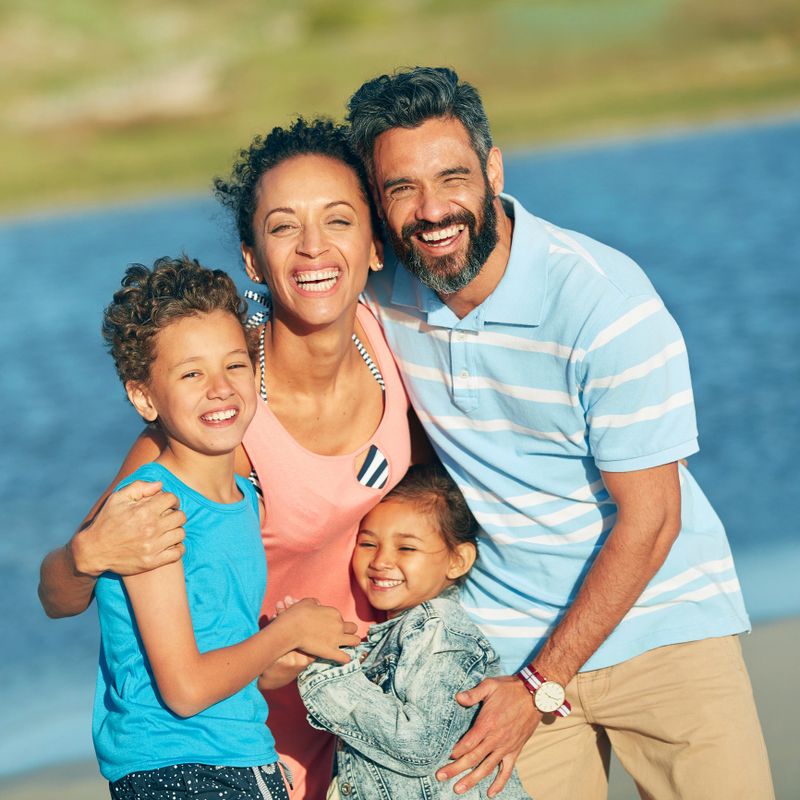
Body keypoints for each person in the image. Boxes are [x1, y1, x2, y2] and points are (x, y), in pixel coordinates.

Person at [347, 67, 774, 800]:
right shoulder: (383, 294)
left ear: (493, 169)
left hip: (660, 627)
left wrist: (543, 682)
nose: (432, 210)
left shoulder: (602, 305)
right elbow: (285, 316)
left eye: (452, 177)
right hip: (501, 649)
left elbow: (654, 519)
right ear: (378, 204)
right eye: (401, 189)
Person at [38, 120, 418, 799]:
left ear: (373, 243)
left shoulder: (399, 341)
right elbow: (66, 589)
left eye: (337, 219)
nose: (312, 247)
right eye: (281, 227)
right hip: (241, 731)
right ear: (251, 259)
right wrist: (85, 556)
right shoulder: (206, 422)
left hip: (353, 691)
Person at [93, 255, 360, 799]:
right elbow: (187, 690)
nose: (219, 388)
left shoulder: (243, 499)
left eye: (234, 365)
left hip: (239, 759)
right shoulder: (153, 507)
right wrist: (288, 632)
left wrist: (277, 657)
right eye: (191, 373)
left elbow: (226, 669)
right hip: (180, 769)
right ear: (144, 396)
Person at [296, 463, 531, 800]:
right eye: (368, 544)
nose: (381, 561)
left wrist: (323, 670)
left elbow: (418, 744)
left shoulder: (438, 628)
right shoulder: (400, 631)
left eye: (406, 548)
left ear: (458, 560)